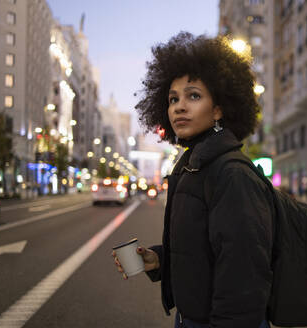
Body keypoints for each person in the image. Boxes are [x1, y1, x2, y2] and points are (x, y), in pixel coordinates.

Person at [112, 33, 273, 328]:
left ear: (219, 108)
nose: (179, 106)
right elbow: (204, 251)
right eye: (173, 98)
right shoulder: (192, 167)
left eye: (193, 96)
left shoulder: (231, 173)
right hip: (189, 318)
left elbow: (244, 276)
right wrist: (159, 260)